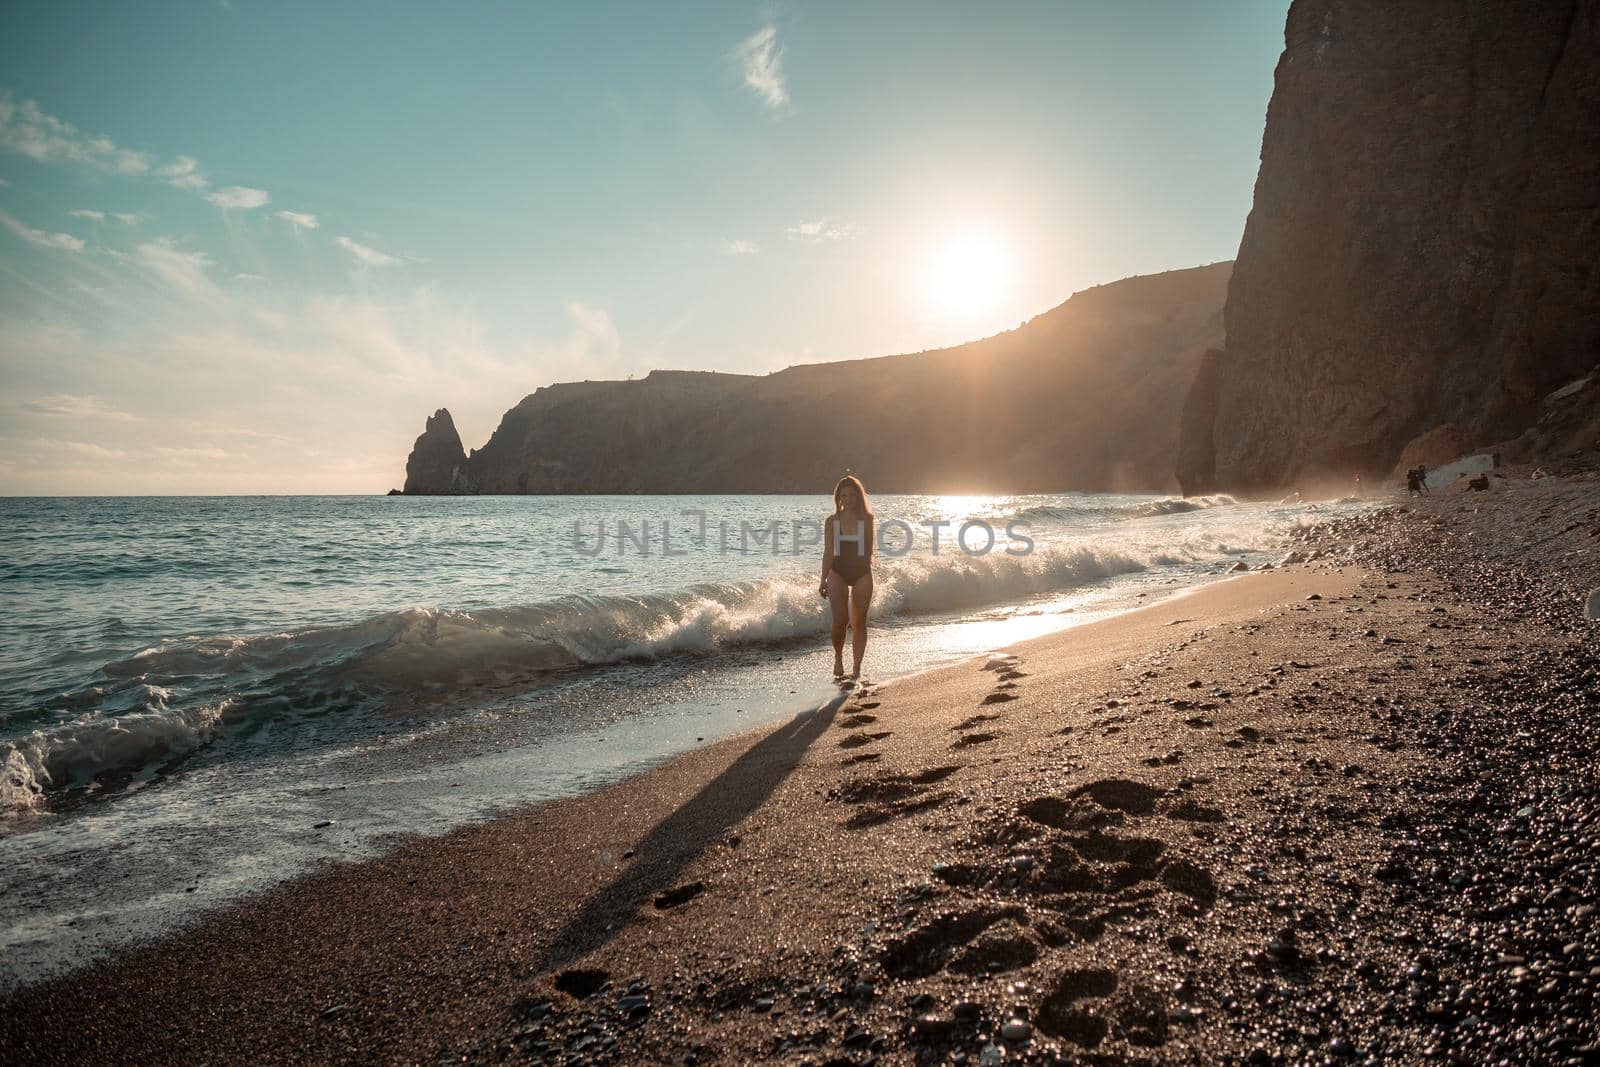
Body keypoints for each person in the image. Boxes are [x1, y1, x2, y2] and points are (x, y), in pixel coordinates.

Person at [819, 474, 874, 680]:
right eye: (844, 495)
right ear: (838, 498)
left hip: (861, 572)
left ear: (858, 497)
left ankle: (857, 668)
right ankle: (838, 657)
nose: (848, 499)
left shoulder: (867, 520)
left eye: (852, 495)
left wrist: (865, 573)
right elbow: (828, 553)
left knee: (859, 622)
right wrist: (823, 579)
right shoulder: (832, 521)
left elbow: (868, 552)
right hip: (838, 571)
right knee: (840, 620)